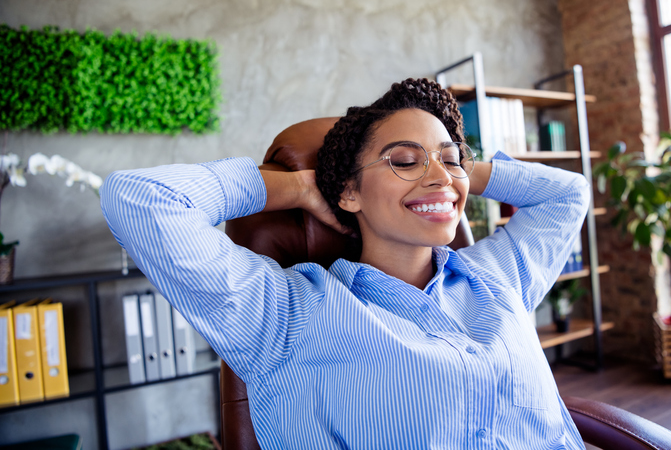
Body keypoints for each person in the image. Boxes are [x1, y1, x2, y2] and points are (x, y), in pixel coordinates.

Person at [101, 78, 590, 449]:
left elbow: (569, 194)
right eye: (403, 160)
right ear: (350, 192)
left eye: (449, 159)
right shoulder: (286, 314)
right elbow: (139, 199)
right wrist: (294, 187)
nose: (438, 176)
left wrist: (458, 171)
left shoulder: (498, 277)